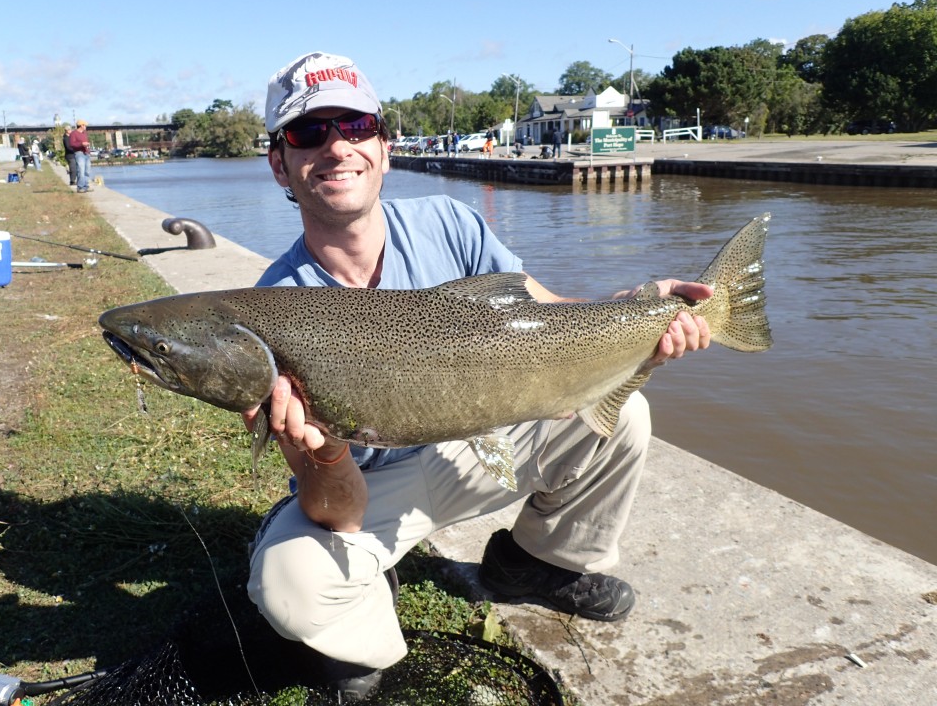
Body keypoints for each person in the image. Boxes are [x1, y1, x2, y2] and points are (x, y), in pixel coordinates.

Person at [244, 51, 713, 703]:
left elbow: (548, 316)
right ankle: (367, 632)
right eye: (307, 132)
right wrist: (318, 447)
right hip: (370, 481)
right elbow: (338, 512)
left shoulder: (449, 222)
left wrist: (637, 308)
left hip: (483, 440)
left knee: (622, 414)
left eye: (354, 127)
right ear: (279, 163)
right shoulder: (273, 305)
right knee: (287, 586)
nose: (336, 147)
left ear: (383, 145)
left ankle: (537, 563)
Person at [68, 120, 91, 192]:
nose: (86, 127)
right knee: (81, 170)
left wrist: (87, 145)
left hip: (86, 153)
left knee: (87, 171)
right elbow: (72, 144)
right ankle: (80, 187)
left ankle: (86, 186)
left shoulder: (84, 133)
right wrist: (81, 144)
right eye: (85, 125)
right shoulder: (73, 133)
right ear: (81, 125)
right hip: (79, 153)